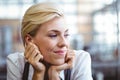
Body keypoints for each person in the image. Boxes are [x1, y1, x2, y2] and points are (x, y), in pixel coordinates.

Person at [7, 2, 93, 80]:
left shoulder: (80, 60)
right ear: (29, 40)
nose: (64, 43)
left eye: (66, 35)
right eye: (53, 35)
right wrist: (38, 74)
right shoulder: (17, 63)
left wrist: (54, 75)